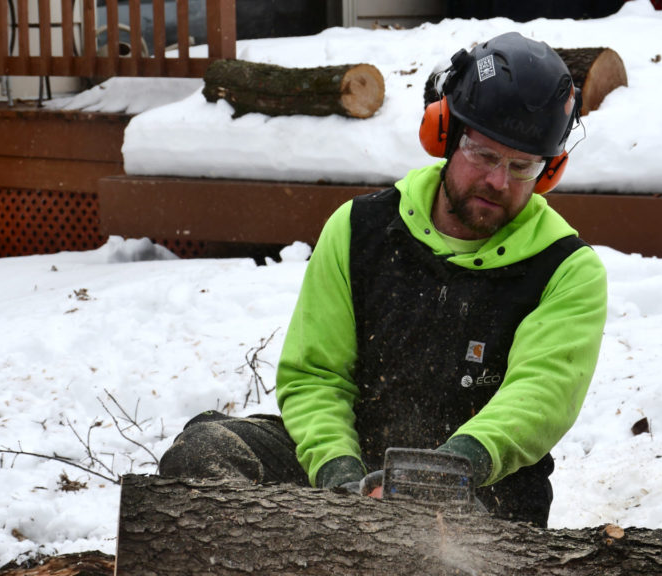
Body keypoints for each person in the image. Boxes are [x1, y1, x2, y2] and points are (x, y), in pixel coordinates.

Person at [159, 31, 608, 527]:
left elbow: (539, 396)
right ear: (445, 133)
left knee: (441, 548)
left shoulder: (565, 268)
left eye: (522, 166)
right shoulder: (359, 229)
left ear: (550, 170)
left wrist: (447, 469)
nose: (499, 181)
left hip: (481, 489)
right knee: (205, 451)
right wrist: (339, 478)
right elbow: (315, 376)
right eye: (483, 155)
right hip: (350, 469)